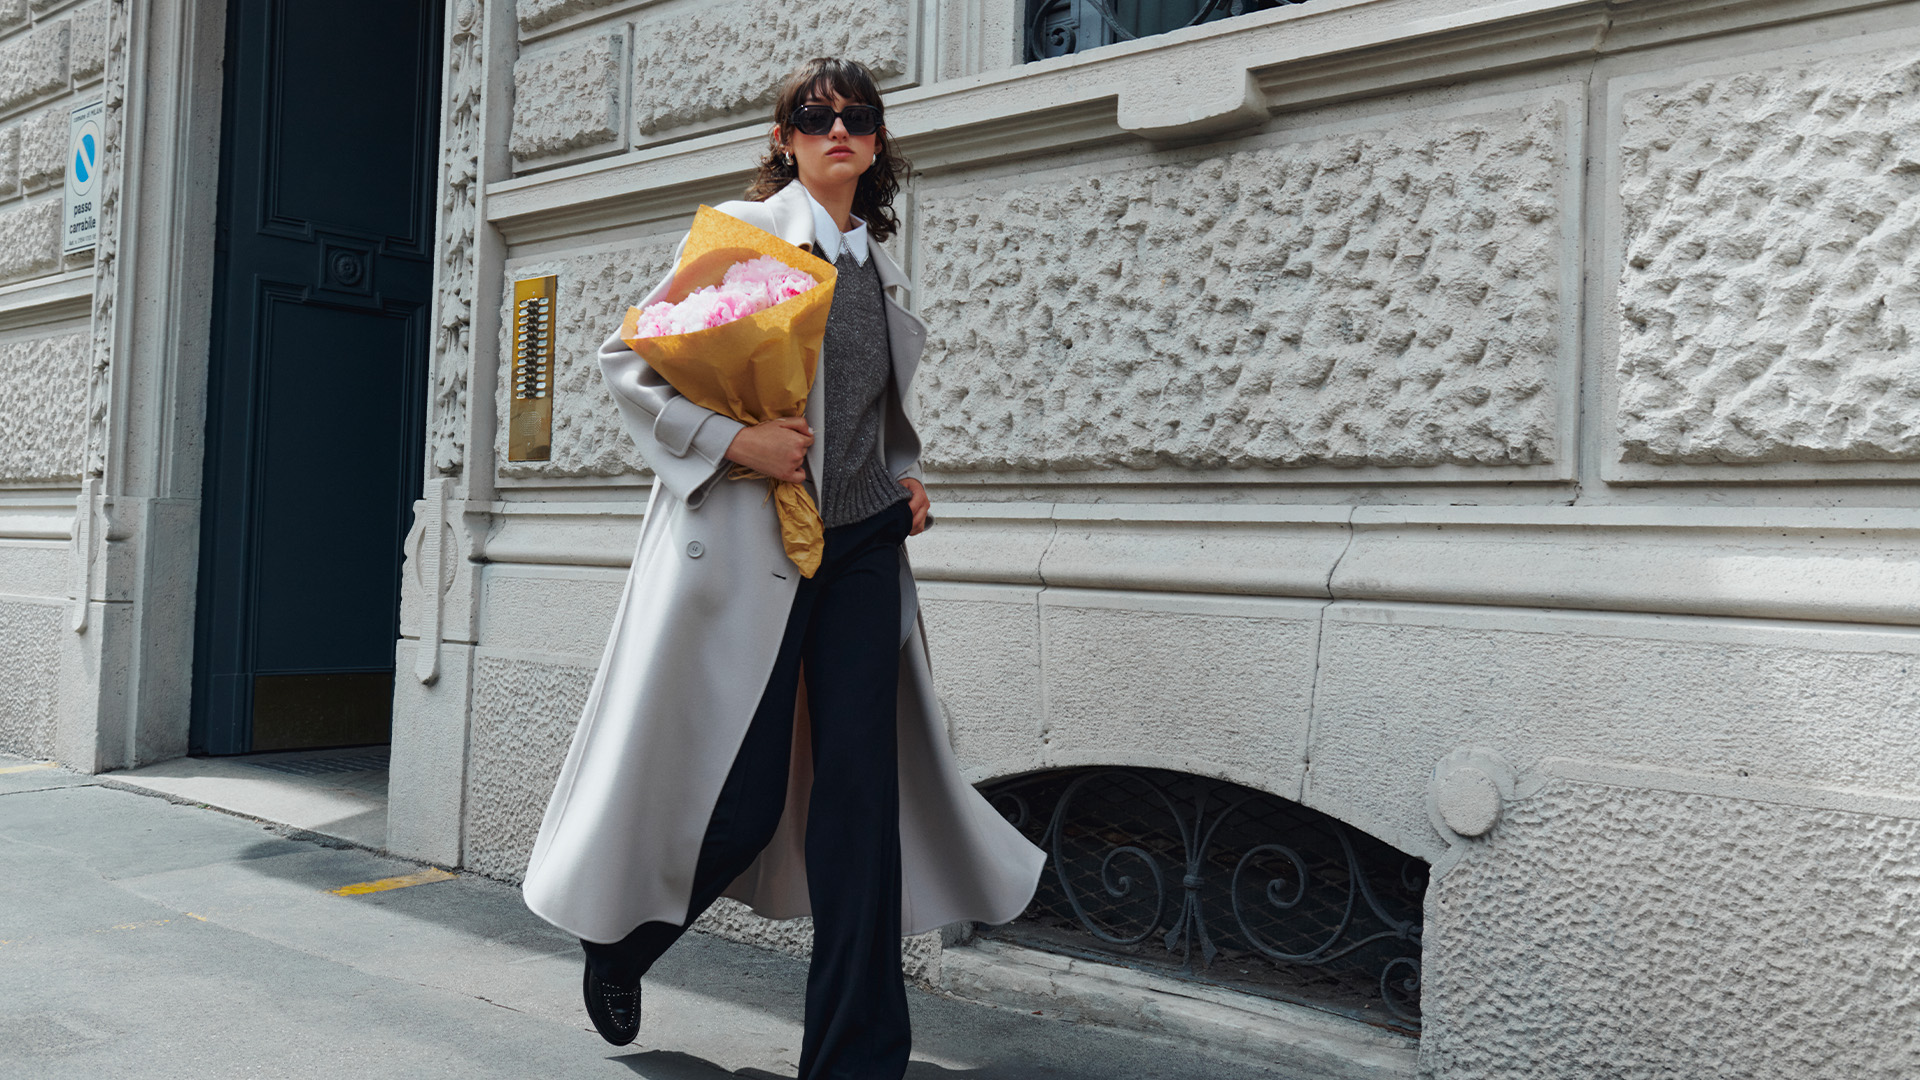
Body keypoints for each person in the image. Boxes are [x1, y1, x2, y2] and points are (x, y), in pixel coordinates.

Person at [520, 57, 1045, 1080]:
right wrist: (735, 443)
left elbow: (865, 420)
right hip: (756, 547)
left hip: (861, 551)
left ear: (878, 143)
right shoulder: (749, 236)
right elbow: (628, 364)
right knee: (744, 797)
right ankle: (622, 945)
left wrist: (906, 483)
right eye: (815, 114)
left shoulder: (878, 268)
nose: (837, 129)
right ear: (785, 138)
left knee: (862, 806)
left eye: (857, 117)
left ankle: (854, 1061)